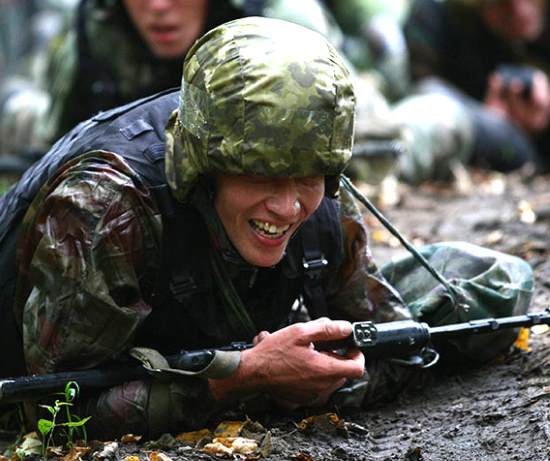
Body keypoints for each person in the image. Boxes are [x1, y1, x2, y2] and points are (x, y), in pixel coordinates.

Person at [0, 17, 533, 439]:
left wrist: (324, 377)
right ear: (204, 168)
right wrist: (243, 381)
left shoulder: (319, 184)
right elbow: (53, 412)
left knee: (491, 283)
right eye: (262, 176)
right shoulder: (106, 206)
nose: (287, 206)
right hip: (60, 360)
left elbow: (389, 337)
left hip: (202, 344)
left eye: (308, 177)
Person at [0, 0, 342, 158]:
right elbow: (54, 141)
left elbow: (358, 138)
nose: (159, 6)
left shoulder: (282, 25)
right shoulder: (97, 28)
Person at [404, 0, 550, 175]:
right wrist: (487, 119)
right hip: (464, 145)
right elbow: (421, 90)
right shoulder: (438, 15)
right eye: (501, 3)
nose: (518, 9)